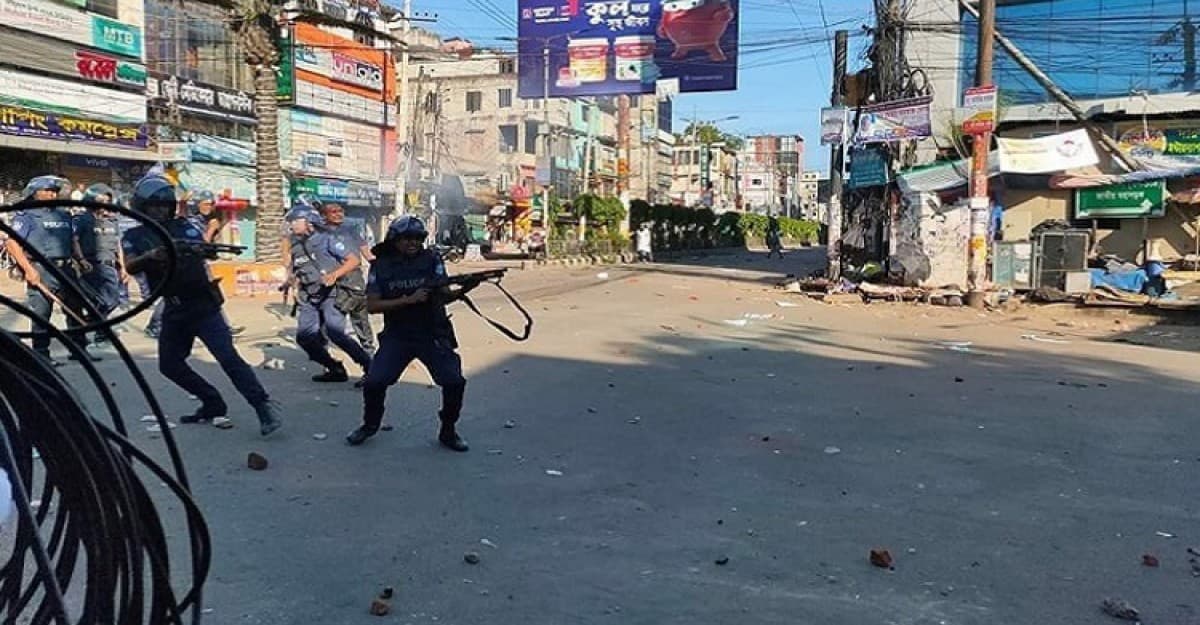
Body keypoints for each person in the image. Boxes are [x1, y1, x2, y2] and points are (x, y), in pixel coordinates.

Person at [123, 173, 283, 436]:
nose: (159, 212)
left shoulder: (183, 227)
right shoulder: (135, 236)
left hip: (202, 304)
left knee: (228, 358)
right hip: (174, 309)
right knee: (170, 365)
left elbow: (204, 248)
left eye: (163, 206)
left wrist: (196, 250)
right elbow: (130, 265)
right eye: (153, 207)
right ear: (141, 207)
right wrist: (153, 256)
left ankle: (262, 405)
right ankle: (212, 402)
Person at [345, 215, 469, 451]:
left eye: (417, 238)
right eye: (406, 238)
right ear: (394, 240)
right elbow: (372, 306)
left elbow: (443, 293)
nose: (412, 243)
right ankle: (370, 425)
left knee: (454, 382)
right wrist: (408, 300)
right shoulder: (380, 265)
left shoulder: (432, 259)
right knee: (374, 382)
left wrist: (466, 288)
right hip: (398, 336)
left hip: (432, 332)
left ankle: (448, 430)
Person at [4, 176, 93, 366]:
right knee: (42, 314)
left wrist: (80, 260)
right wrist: (28, 270)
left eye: (53, 191)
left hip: (66, 269)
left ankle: (79, 350)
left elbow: (71, 240)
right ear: (34, 193)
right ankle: (42, 354)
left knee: (75, 308)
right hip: (41, 268)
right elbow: (12, 243)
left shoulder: (64, 214)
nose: (51, 193)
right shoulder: (26, 216)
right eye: (46, 190)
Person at [286, 205, 373, 384]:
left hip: (331, 294)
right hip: (309, 297)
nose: (291, 225)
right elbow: (298, 268)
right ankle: (334, 368)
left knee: (336, 333)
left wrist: (334, 275)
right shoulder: (295, 245)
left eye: (295, 221)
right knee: (304, 337)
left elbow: (354, 260)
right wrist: (291, 282)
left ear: (308, 221)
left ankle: (369, 366)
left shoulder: (327, 239)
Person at [319, 201, 376, 351]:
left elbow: (366, 251)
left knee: (359, 313)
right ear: (324, 216)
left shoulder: (350, 230)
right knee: (330, 313)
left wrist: (377, 263)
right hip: (330, 279)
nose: (339, 214)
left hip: (352, 277)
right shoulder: (320, 233)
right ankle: (325, 348)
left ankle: (368, 348)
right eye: (334, 211)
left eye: (341, 211)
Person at [73, 183, 126, 345]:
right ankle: (99, 329)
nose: (104, 204)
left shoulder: (112, 221)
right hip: (91, 265)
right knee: (100, 300)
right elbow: (74, 240)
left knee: (114, 300)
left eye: (107, 200)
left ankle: (93, 324)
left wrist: (123, 267)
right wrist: (81, 260)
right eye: (100, 200)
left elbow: (118, 245)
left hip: (109, 265)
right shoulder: (82, 220)